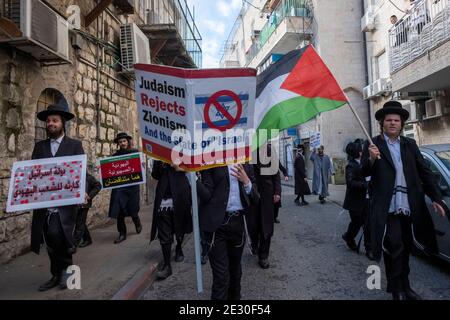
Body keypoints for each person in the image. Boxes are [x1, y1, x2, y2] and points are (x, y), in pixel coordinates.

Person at [361, 101, 446, 300]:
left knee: (407, 246)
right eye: (388, 120)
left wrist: (436, 198)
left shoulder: (410, 144)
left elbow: (424, 171)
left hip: (409, 205)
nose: (392, 123)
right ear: (382, 123)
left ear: (401, 124)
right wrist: (371, 159)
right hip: (387, 206)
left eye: (396, 120)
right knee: (394, 245)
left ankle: (405, 286)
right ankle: (396, 289)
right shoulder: (373, 144)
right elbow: (362, 173)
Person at [31, 104, 85, 291]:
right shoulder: (39, 147)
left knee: (58, 234)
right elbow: (32, 173)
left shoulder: (74, 145)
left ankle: (66, 271)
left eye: (54, 120)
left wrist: (82, 191)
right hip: (44, 203)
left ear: (62, 123)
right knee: (49, 238)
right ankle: (56, 274)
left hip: (65, 203)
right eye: (48, 121)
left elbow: (81, 172)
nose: (50, 124)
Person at [196, 163, 259, 300]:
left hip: (238, 225)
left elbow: (255, 197)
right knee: (221, 277)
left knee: (235, 273)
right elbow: (206, 195)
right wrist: (192, 178)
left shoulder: (245, 160)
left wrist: (246, 181)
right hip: (217, 227)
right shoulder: (212, 159)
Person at [150, 160, 192, 280]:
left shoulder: (184, 149)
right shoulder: (158, 154)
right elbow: (155, 175)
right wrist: (161, 163)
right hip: (163, 196)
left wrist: (180, 167)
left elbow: (192, 168)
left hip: (180, 192)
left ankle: (178, 247)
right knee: (164, 232)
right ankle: (167, 265)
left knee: (180, 226)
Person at [251, 143, 281, 269]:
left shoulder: (269, 149)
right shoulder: (247, 148)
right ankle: (254, 244)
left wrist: (277, 192)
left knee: (267, 225)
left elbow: (276, 173)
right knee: (253, 224)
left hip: (267, 193)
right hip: (251, 192)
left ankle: (264, 256)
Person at [108, 132, 142, 244]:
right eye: (120, 142)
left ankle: (137, 222)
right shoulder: (115, 156)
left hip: (132, 187)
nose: (122, 143)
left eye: (124, 141)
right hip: (119, 188)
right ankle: (122, 233)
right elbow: (110, 170)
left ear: (128, 142)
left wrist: (141, 165)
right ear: (118, 143)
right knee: (119, 211)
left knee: (132, 209)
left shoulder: (135, 153)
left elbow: (139, 168)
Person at [342, 140, 373, 260]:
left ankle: (369, 249)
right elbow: (351, 183)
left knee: (368, 224)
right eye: (361, 150)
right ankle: (349, 237)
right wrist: (366, 184)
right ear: (358, 153)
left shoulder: (365, 162)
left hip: (367, 199)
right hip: (355, 201)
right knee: (357, 223)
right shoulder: (351, 165)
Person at [73, 172, 101, 248]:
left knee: (79, 223)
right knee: (80, 222)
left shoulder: (86, 176)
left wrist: (90, 195)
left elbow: (98, 185)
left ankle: (73, 245)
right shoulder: (71, 175)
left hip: (84, 204)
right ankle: (87, 239)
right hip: (74, 204)